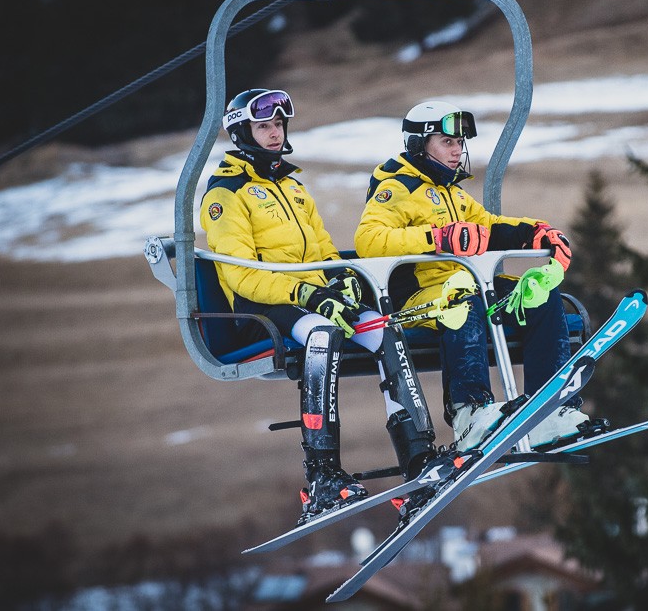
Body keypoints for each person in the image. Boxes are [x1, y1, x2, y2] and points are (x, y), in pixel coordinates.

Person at [200, 89, 437, 526]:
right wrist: (308, 295)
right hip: (262, 308)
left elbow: (323, 250)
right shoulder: (226, 194)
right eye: (263, 126)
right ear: (241, 132)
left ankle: (419, 457)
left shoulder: (292, 186)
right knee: (323, 335)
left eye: (278, 125)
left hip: (311, 302)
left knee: (383, 329)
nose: (274, 133)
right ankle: (323, 474)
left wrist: (339, 278)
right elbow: (240, 275)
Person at [355, 100, 595, 452]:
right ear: (419, 145)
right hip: (421, 296)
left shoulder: (452, 192)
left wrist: (535, 233)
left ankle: (548, 410)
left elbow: (488, 227)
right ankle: (470, 412)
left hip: (467, 286)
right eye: (447, 142)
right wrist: (437, 239)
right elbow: (369, 240)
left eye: (459, 143)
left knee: (538, 297)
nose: (457, 151)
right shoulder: (397, 188)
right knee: (462, 303)